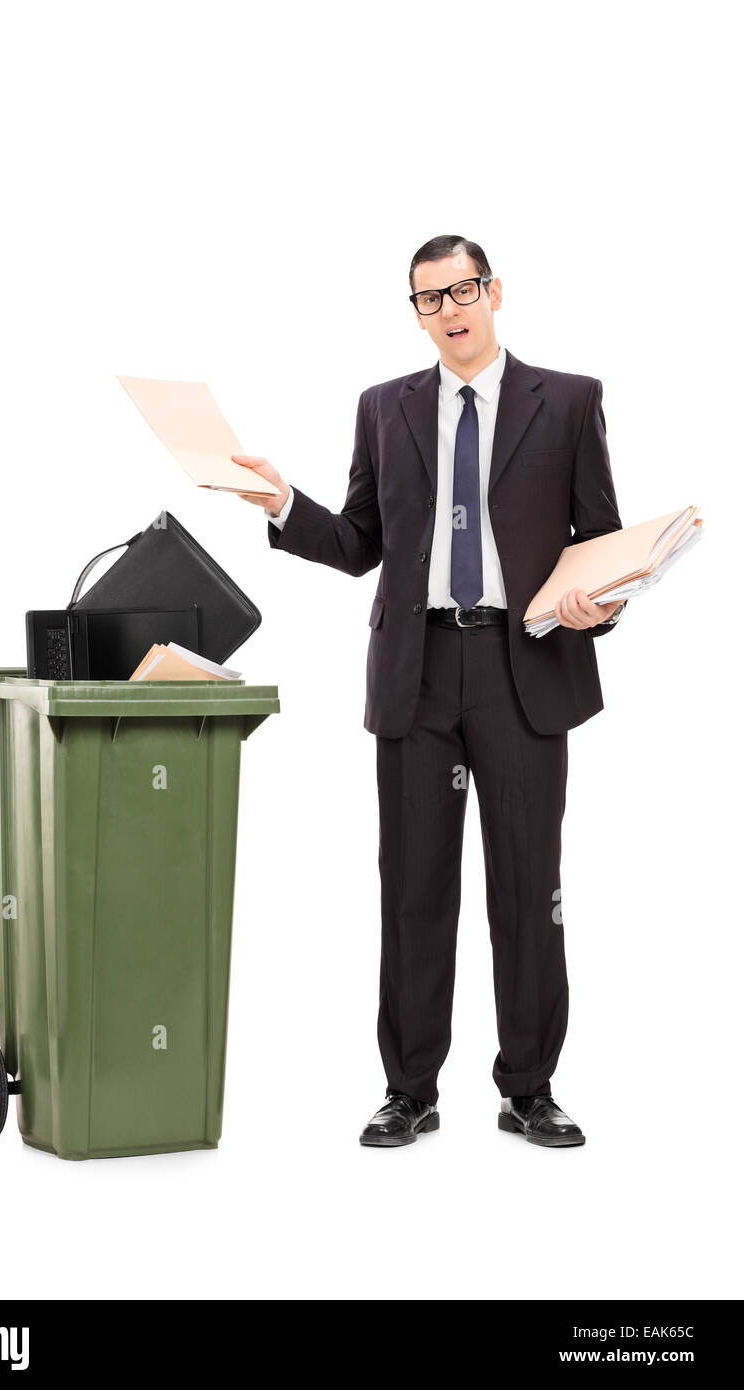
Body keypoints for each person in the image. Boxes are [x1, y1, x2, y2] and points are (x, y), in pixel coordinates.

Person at [232, 235, 624, 1149]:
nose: (449, 310)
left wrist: (592, 606)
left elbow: (601, 542)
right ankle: (410, 1087)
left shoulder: (567, 401)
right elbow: (362, 540)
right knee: (412, 887)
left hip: (522, 664)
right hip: (415, 673)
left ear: (495, 292)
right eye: (427, 298)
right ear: (414, 312)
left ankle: (529, 1087)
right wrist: (287, 506)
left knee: (529, 887)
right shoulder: (385, 408)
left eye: (463, 290)